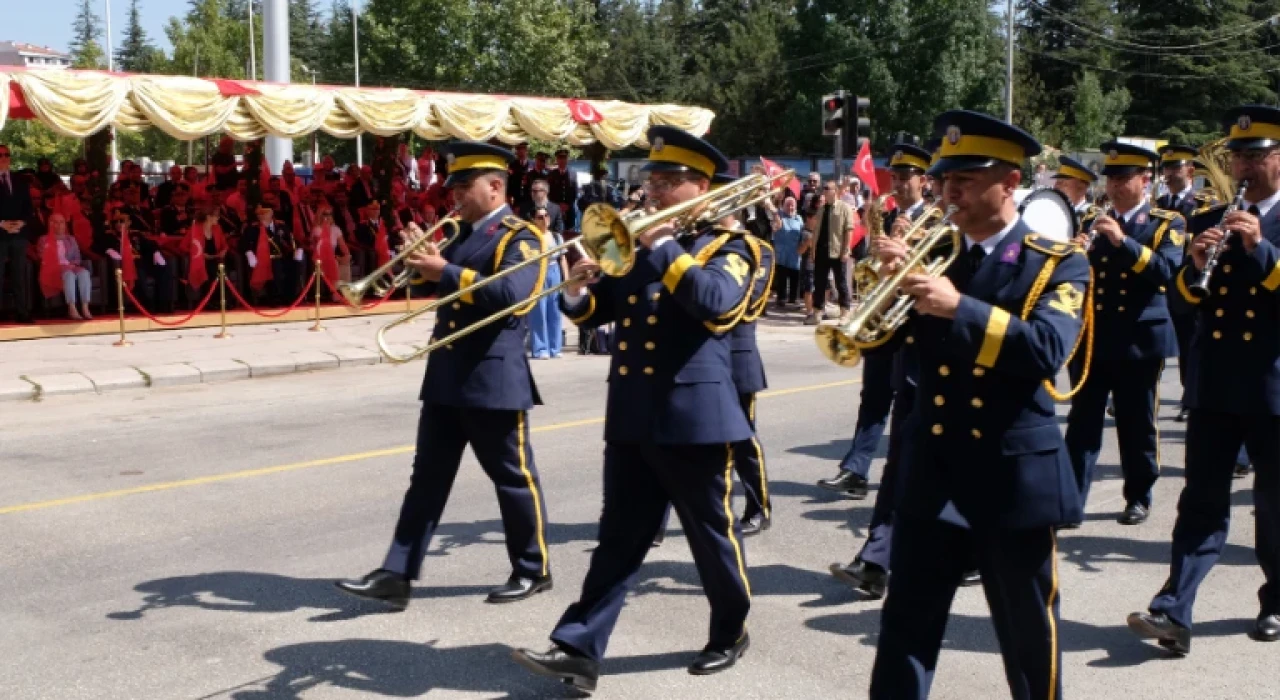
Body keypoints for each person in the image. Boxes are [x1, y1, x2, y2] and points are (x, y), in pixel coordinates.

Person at [512, 126, 756, 693]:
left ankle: (730, 630)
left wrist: (663, 247)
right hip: (633, 416)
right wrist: (575, 290)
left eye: (667, 181)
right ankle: (577, 646)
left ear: (700, 185)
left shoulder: (729, 247)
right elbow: (603, 310)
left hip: (695, 421)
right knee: (618, 539)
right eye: (653, 179)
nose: (652, 191)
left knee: (712, 539)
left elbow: (714, 304)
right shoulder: (641, 244)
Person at [867, 110, 1090, 699]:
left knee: (1027, 633)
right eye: (945, 177)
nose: (950, 189)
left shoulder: (1057, 260)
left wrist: (957, 308)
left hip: (1010, 473)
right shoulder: (937, 252)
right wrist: (884, 286)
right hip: (932, 469)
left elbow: (1046, 350)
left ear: (1011, 182)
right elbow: (880, 344)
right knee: (905, 630)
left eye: (967, 176)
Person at [335, 141, 553, 609]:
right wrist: (417, 263)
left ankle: (533, 568)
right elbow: (432, 280)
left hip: (492, 377)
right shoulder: (458, 234)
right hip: (447, 373)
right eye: (452, 186)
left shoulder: (523, 236)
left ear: (495, 187)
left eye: (462, 187)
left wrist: (444, 269)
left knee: (513, 477)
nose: (453, 196)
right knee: (427, 478)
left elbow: (512, 295)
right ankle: (397, 573)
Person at [1127, 104, 1280, 654]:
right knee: (1200, 502)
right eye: (1237, 156)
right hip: (1215, 384)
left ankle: (1277, 601)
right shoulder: (1209, 217)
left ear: (1279, 159)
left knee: (1274, 506)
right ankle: (1174, 611)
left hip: (1272, 385)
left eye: (1254, 156)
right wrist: (1194, 267)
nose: (1242, 166)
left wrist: (1262, 249)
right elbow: (1187, 302)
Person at [1062, 142, 1183, 529]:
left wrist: (1123, 242)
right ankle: (1071, 499)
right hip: (1094, 337)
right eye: (1111, 178)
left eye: (1123, 178)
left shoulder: (1168, 222)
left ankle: (1139, 495)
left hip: (1138, 341)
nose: (1114, 186)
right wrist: (1073, 253)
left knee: (1136, 423)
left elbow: (1167, 272)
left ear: (1145, 180)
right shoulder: (1090, 222)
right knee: (1082, 423)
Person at [819, 143, 931, 501]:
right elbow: (869, 268)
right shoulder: (885, 214)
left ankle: (903, 478)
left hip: (912, 325)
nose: (898, 184)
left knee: (909, 407)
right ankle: (855, 470)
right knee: (873, 397)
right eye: (895, 177)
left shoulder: (935, 217)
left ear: (924, 181)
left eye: (905, 178)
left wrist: (909, 240)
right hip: (882, 321)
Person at [1156, 144, 1201, 424]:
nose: (1170, 174)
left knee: (1188, 346)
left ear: (1190, 171)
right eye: (1166, 169)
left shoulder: (1201, 205)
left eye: (1176, 168)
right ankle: (1148, 393)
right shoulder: (1158, 207)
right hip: (1163, 286)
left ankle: (1189, 397)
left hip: (1187, 284)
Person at [527, 205, 568, 359]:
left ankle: (555, 347)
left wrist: (566, 278)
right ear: (533, 220)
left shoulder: (556, 236)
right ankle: (540, 348)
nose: (544, 220)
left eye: (546, 216)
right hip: (538, 271)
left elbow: (562, 258)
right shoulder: (531, 237)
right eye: (540, 217)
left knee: (555, 311)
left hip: (554, 271)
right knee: (539, 311)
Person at [0, 144, 34, 323]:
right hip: (0, 233)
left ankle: (23, 312)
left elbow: (28, 207)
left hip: (18, 234)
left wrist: (21, 222)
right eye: (1, 155)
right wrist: (2, 224)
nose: (4, 158)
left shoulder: (19, 180)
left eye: (6, 155)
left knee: (19, 274)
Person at [38, 213, 93, 320]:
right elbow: (42, 257)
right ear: (50, 224)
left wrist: (72, 264)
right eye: (56, 222)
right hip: (54, 268)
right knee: (69, 275)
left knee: (84, 273)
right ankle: (71, 308)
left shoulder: (71, 239)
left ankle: (85, 307)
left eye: (62, 222)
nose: (59, 225)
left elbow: (77, 257)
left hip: (70, 266)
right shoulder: (43, 239)